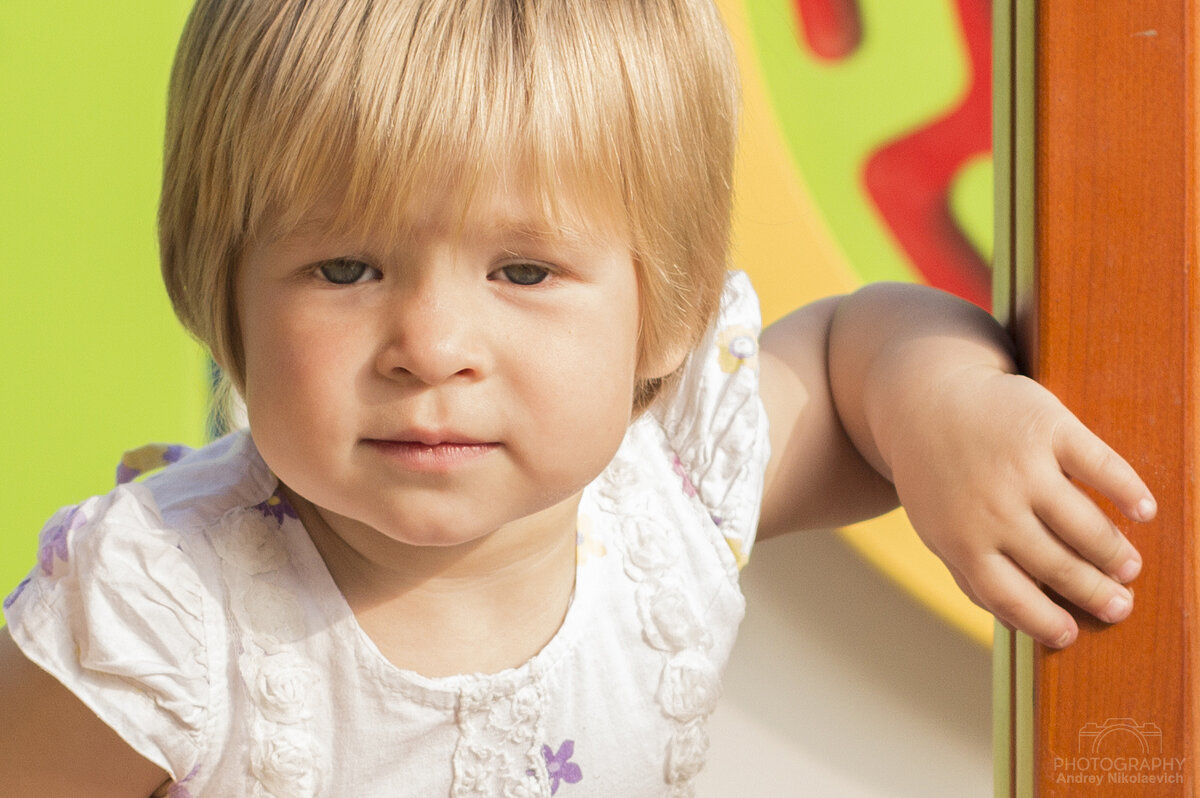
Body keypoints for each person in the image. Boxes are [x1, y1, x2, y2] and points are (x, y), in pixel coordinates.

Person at [0, 1, 1154, 796]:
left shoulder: (666, 493)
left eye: (524, 271)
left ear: (670, 306)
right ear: (225, 288)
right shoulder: (155, 614)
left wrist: (950, 411)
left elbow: (859, 357)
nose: (433, 345)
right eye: (345, 269)